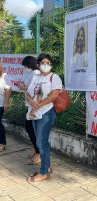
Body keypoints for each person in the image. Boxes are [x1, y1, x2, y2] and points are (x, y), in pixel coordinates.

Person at [26, 53, 62, 182]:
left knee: (41, 143)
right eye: (43, 63)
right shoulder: (35, 77)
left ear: (51, 65)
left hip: (46, 112)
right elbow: (27, 93)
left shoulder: (54, 77)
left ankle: (44, 172)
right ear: (38, 64)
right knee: (41, 142)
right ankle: (47, 167)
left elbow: (54, 95)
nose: (45, 65)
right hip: (35, 113)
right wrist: (32, 103)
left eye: (48, 63)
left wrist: (38, 105)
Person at [17, 56, 41, 164]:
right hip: (31, 105)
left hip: (35, 106)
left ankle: (39, 153)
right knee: (31, 128)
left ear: (28, 64)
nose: (25, 68)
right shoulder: (33, 73)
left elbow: (36, 88)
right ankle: (36, 150)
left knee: (32, 129)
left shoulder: (36, 73)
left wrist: (23, 88)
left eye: (25, 66)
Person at [0, 61, 11, 152]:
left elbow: (8, 89)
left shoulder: (4, 76)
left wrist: (6, 103)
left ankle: (2, 143)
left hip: (0, 104)